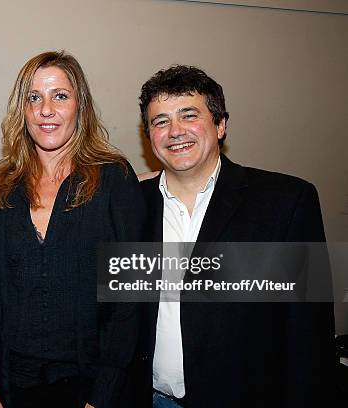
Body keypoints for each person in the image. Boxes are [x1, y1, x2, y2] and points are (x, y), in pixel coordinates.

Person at [134, 65, 336, 407]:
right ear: (149, 134)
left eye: (188, 115)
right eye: (161, 121)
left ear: (220, 124)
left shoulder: (284, 202)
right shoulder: (131, 205)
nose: (175, 131)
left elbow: (308, 335)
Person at [0, 51, 146, 408]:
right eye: (33, 98)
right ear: (22, 110)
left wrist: (101, 396)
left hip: (90, 386)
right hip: (13, 386)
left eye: (60, 96)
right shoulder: (2, 185)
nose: (46, 110)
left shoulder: (114, 178)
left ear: (79, 106)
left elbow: (129, 299)